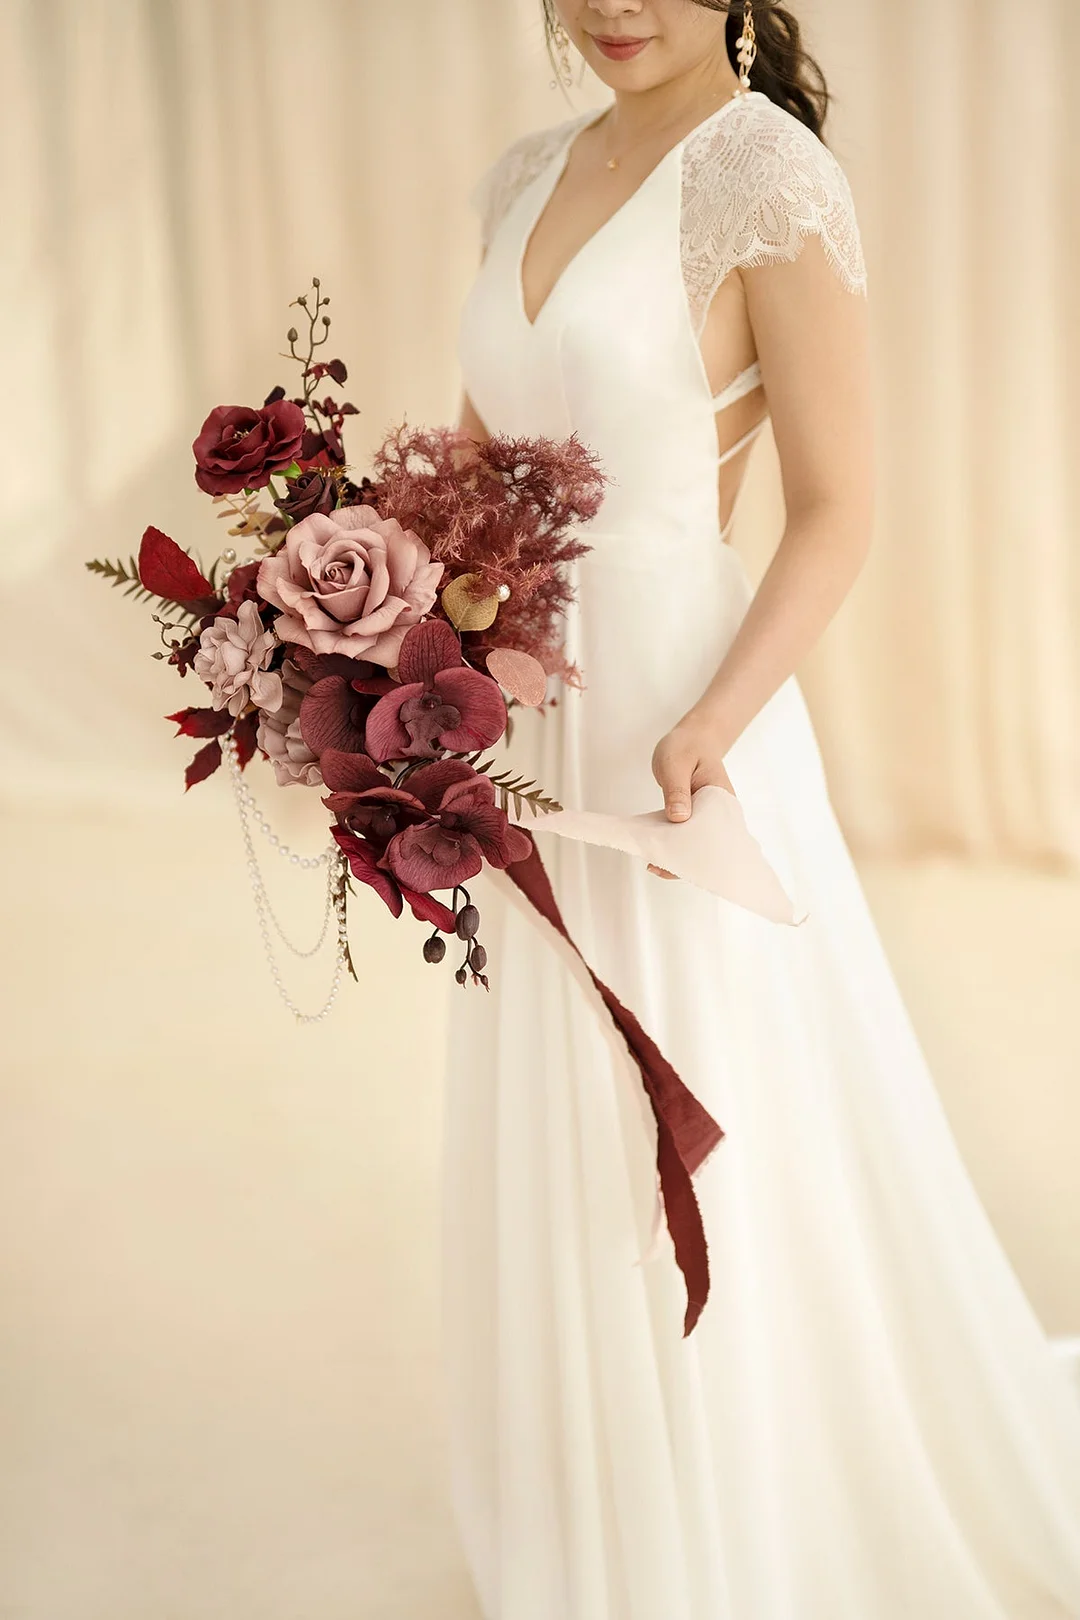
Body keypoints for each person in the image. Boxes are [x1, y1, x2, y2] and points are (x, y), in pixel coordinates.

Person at [441, 3, 1080, 1616]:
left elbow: (839, 504)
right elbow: (474, 475)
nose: (615, 6)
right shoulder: (529, 169)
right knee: (570, 1090)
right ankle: (600, 1484)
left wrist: (717, 719)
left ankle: (736, 1503)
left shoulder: (764, 174)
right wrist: (398, 654)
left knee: (707, 1089)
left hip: (674, 713)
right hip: (525, 720)